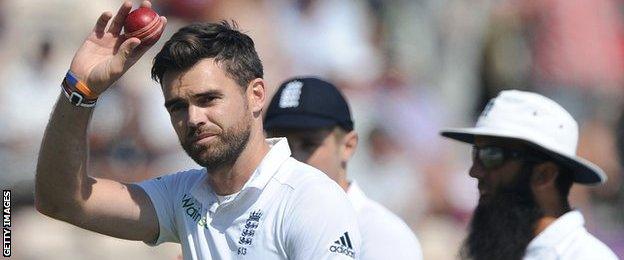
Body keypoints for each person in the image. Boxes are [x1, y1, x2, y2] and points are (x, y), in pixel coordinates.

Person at [35, 1, 361, 259]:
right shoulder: (184, 195)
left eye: (208, 99)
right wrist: (80, 91)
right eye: (177, 106)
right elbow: (61, 200)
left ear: (256, 95)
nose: (193, 119)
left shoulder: (309, 200)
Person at [440, 90, 618, 260]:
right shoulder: (506, 249)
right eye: (475, 154)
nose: (474, 171)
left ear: (544, 175)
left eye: (491, 155)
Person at [264, 77, 423, 260]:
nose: (291, 157)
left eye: (308, 144)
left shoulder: (382, 236)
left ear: (347, 146)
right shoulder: (254, 218)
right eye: (279, 144)